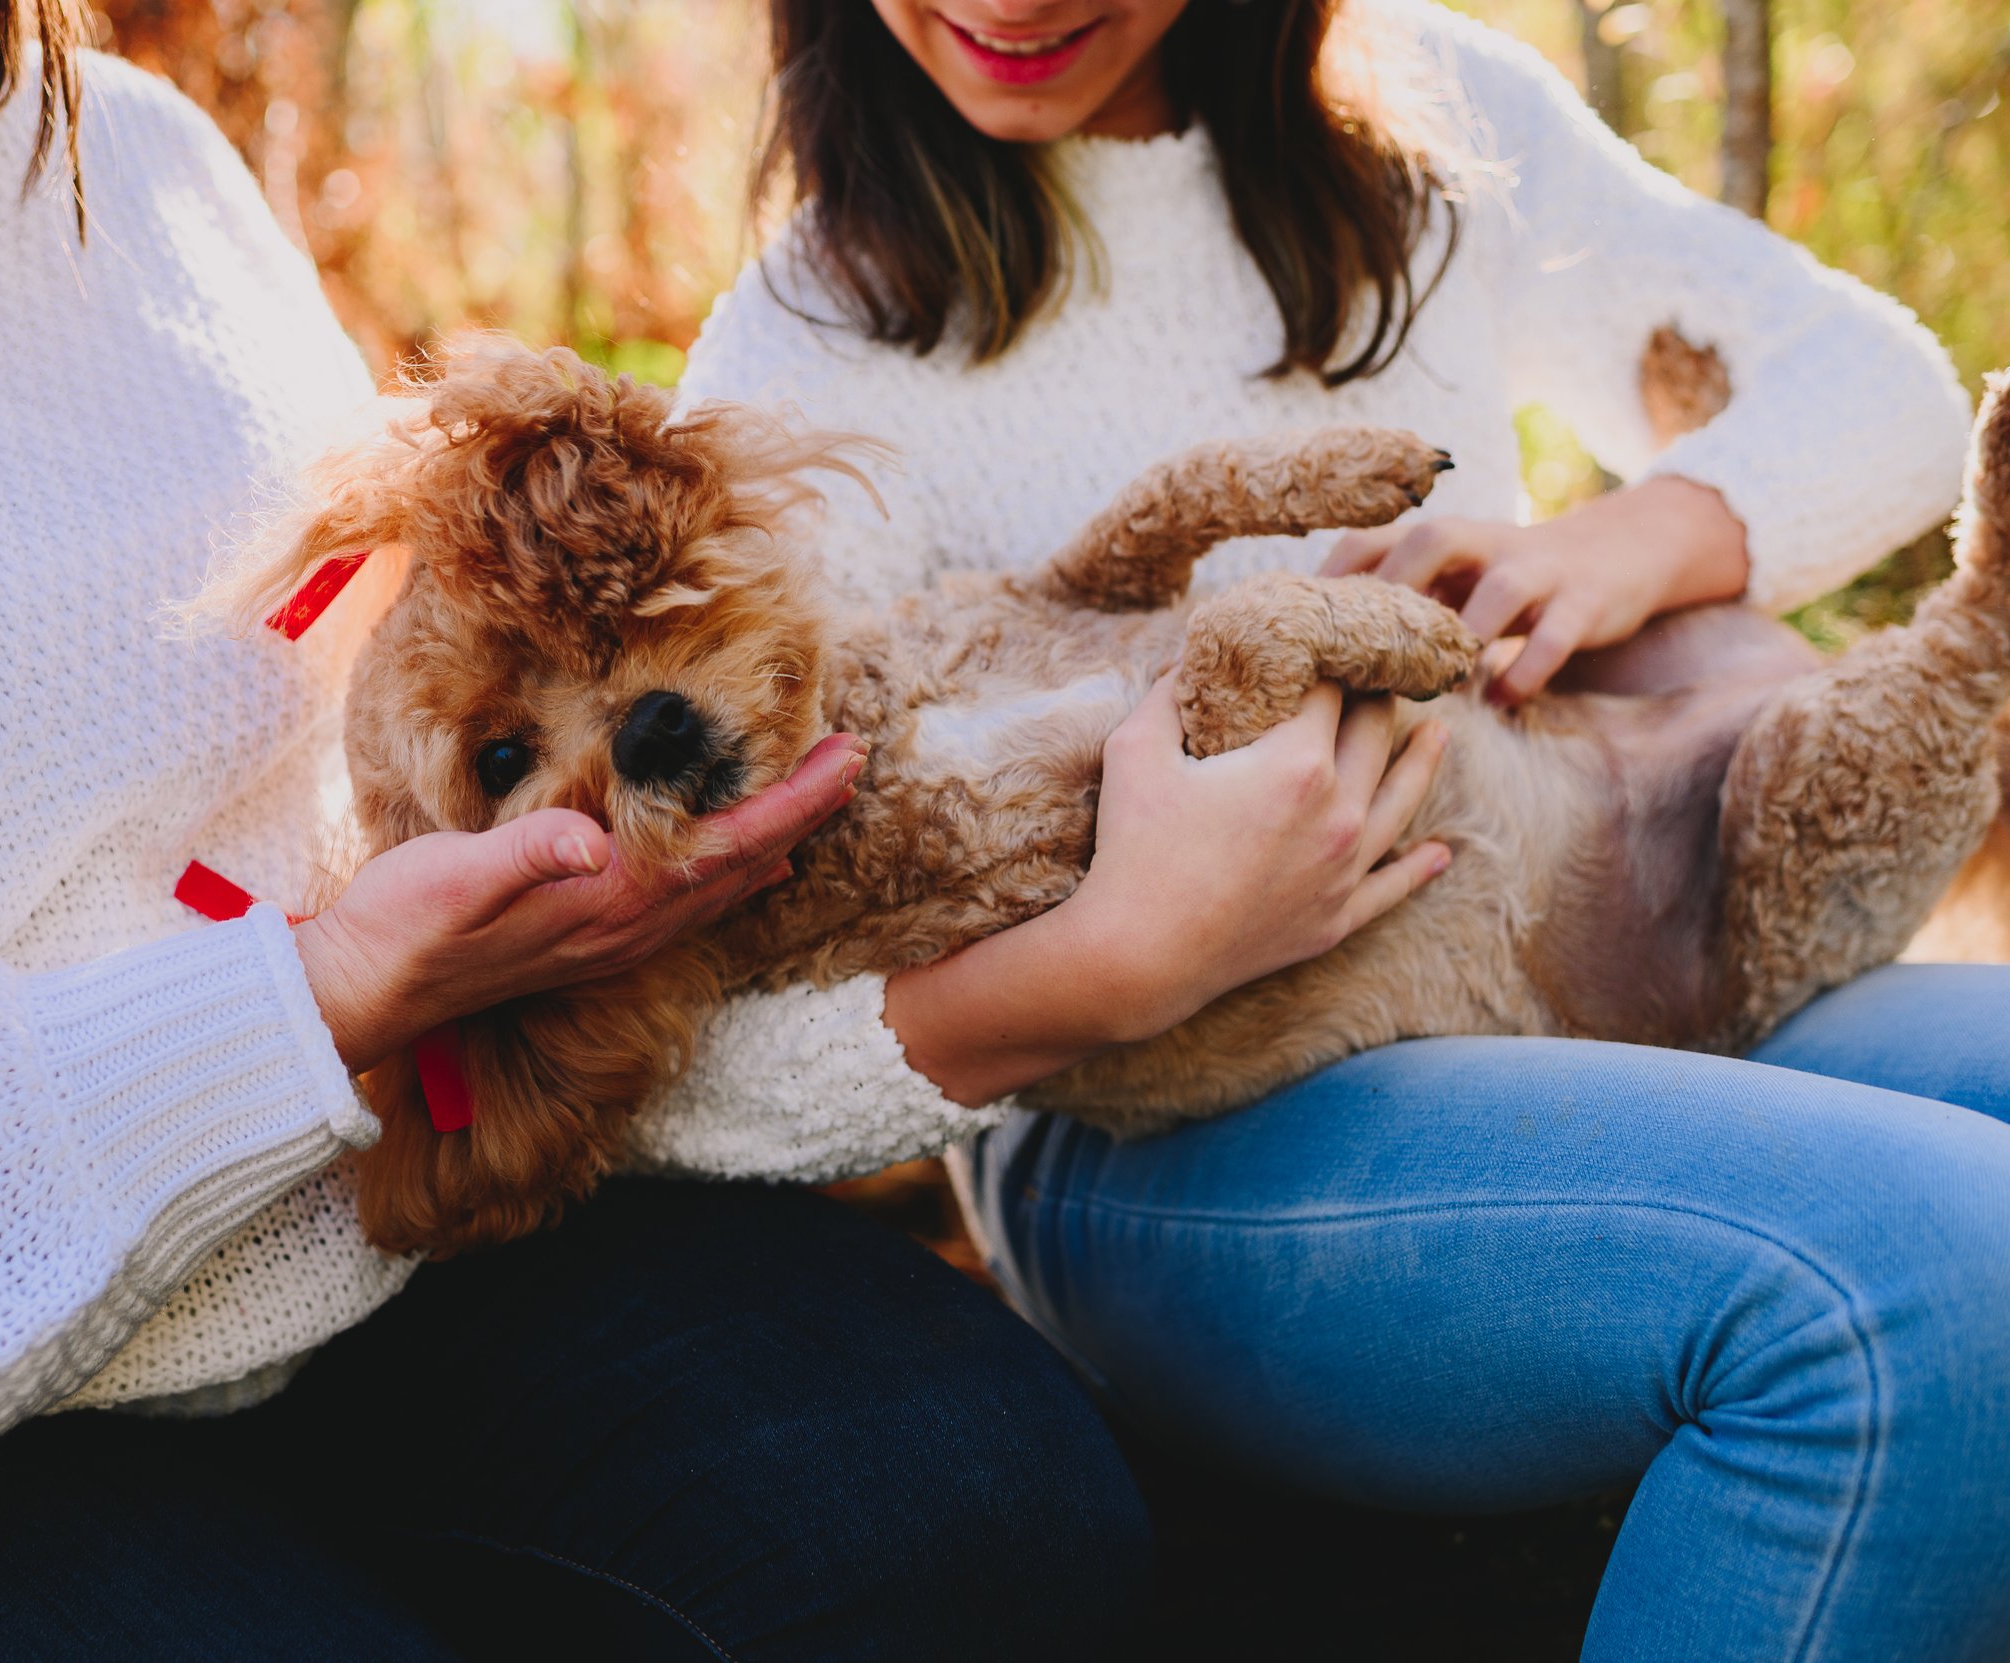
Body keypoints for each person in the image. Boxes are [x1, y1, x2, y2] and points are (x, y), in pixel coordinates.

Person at [0, 2, 1156, 1656]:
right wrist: (316, 995)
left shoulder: (125, 152)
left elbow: (372, 703)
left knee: (974, 1509)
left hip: (350, 1225)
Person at [672, 1, 2010, 1658]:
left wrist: (1639, 538)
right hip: (1174, 1122)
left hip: (1584, 925)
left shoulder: (1438, 138)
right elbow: (688, 1056)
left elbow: (1875, 384)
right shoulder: (807, 351)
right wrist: (1114, 962)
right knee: (1943, 1272)